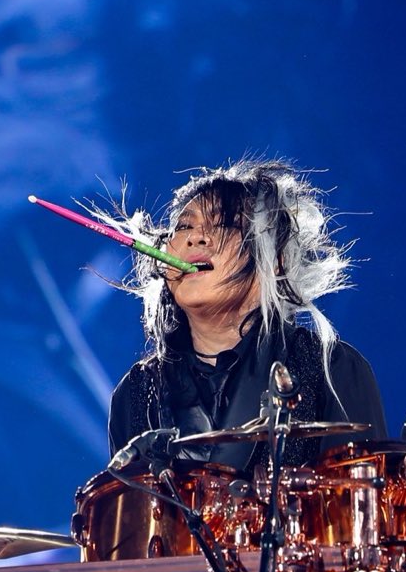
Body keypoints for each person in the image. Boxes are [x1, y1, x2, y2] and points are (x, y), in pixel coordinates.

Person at [107, 157, 386, 471]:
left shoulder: (330, 369)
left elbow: (362, 510)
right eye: (184, 225)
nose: (195, 237)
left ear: (276, 260)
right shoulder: (137, 392)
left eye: (225, 223)